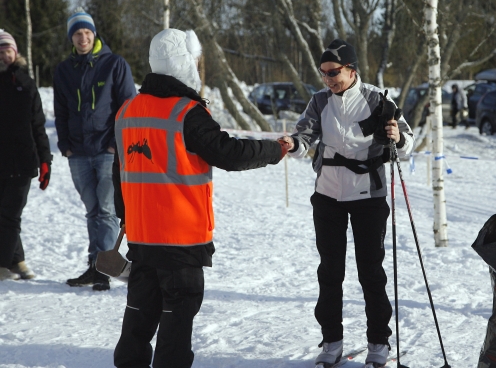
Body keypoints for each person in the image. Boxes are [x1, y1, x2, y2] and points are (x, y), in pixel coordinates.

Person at [112, 28, 290, 368]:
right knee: (176, 328)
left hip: (142, 239)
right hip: (181, 242)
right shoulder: (186, 113)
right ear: (184, 64)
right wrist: (274, 150)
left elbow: (118, 174)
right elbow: (229, 152)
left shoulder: (127, 111)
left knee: (138, 319)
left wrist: (126, 215)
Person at [279, 39, 414, 368]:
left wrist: (398, 137)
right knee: (329, 271)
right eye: (323, 73)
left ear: (352, 69)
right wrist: (292, 144)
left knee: (370, 271)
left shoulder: (378, 100)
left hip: (368, 196)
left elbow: (408, 140)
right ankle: (331, 340)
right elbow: (305, 135)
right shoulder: (320, 100)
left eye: (334, 73)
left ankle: (379, 342)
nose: (328, 79)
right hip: (328, 195)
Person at [53, 8, 136, 291]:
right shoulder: (64, 70)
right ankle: (95, 265)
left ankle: (103, 269)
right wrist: (65, 145)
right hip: (78, 152)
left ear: (94, 34)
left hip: (107, 150)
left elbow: (128, 106)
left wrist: (117, 142)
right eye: (77, 33)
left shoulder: (114, 64)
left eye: (87, 32)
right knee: (92, 211)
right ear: (71, 37)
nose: (83, 37)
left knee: (106, 211)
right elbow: (60, 109)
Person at [0, 30, 51, 281]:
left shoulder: (26, 83)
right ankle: (17, 261)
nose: (4, 55)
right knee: (4, 213)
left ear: (15, 52)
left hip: (22, 161)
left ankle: (2, 266)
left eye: (7, 50)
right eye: (0, 52)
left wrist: (45, 161)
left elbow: (38, 125)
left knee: (10, 214)